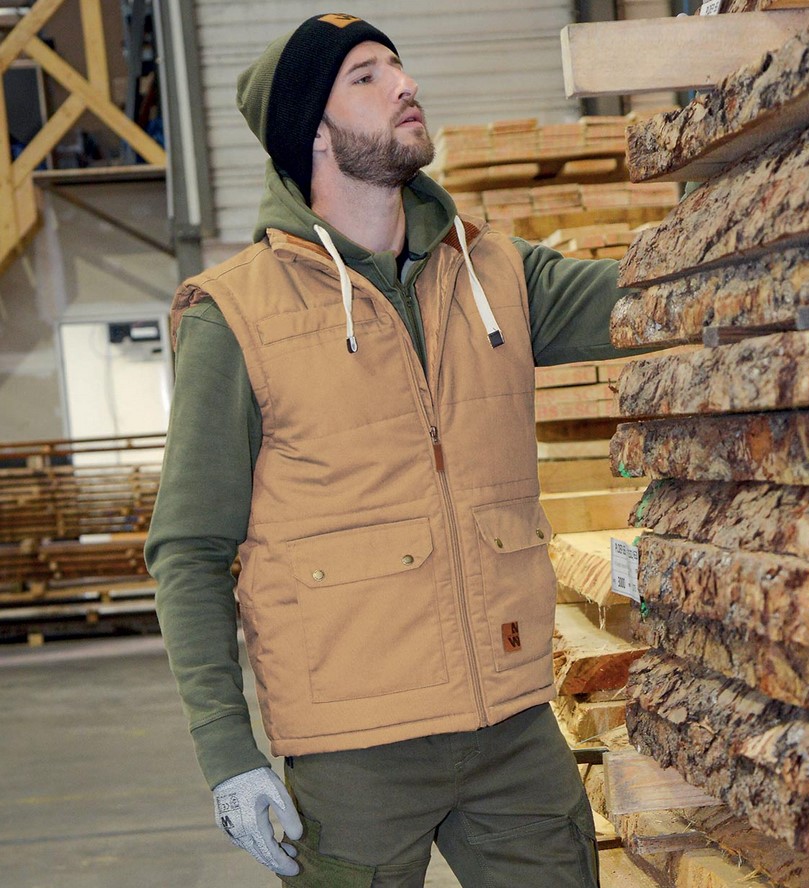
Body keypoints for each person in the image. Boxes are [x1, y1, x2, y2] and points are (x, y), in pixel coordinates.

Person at [146, 12, 648, 887]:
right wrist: (227, 751)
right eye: (367, 76)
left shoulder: (495, 273)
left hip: (514, 728)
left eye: (398, 64)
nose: (405, 83)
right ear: (313, 131)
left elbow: (655, 295)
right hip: (353, 756)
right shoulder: (236, 316)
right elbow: (189, 551)